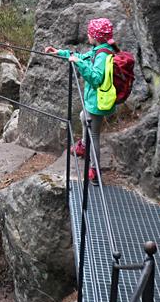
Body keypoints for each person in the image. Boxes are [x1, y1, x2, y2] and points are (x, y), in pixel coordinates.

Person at [45, 18, 116, 185]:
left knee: (94, 135)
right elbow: (80, 56)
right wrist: (59, 53)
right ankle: (84, 145)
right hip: (94, 100)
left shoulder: (102, 55)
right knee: (84, 116)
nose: (87, 35)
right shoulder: (99, 50)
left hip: (98, 101)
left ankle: (95, 172)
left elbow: (96, 78)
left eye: (90, 33)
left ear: (96, 36)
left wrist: (79, 65)